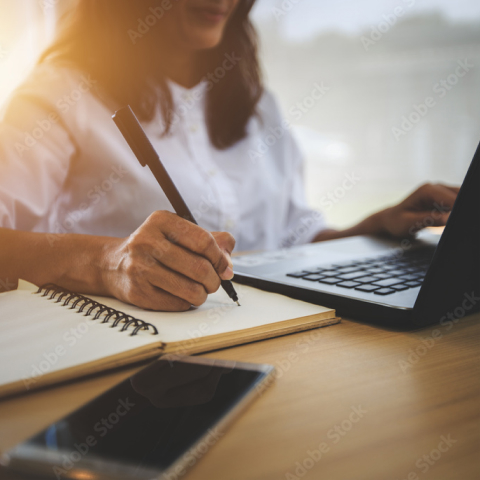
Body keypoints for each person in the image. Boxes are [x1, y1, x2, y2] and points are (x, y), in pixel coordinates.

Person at [0, 0, 459, 311]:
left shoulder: (258, 105)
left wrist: (373, 227)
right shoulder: (57, 96)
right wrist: (108, 263)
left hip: (271, 346)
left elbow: (287, 241)